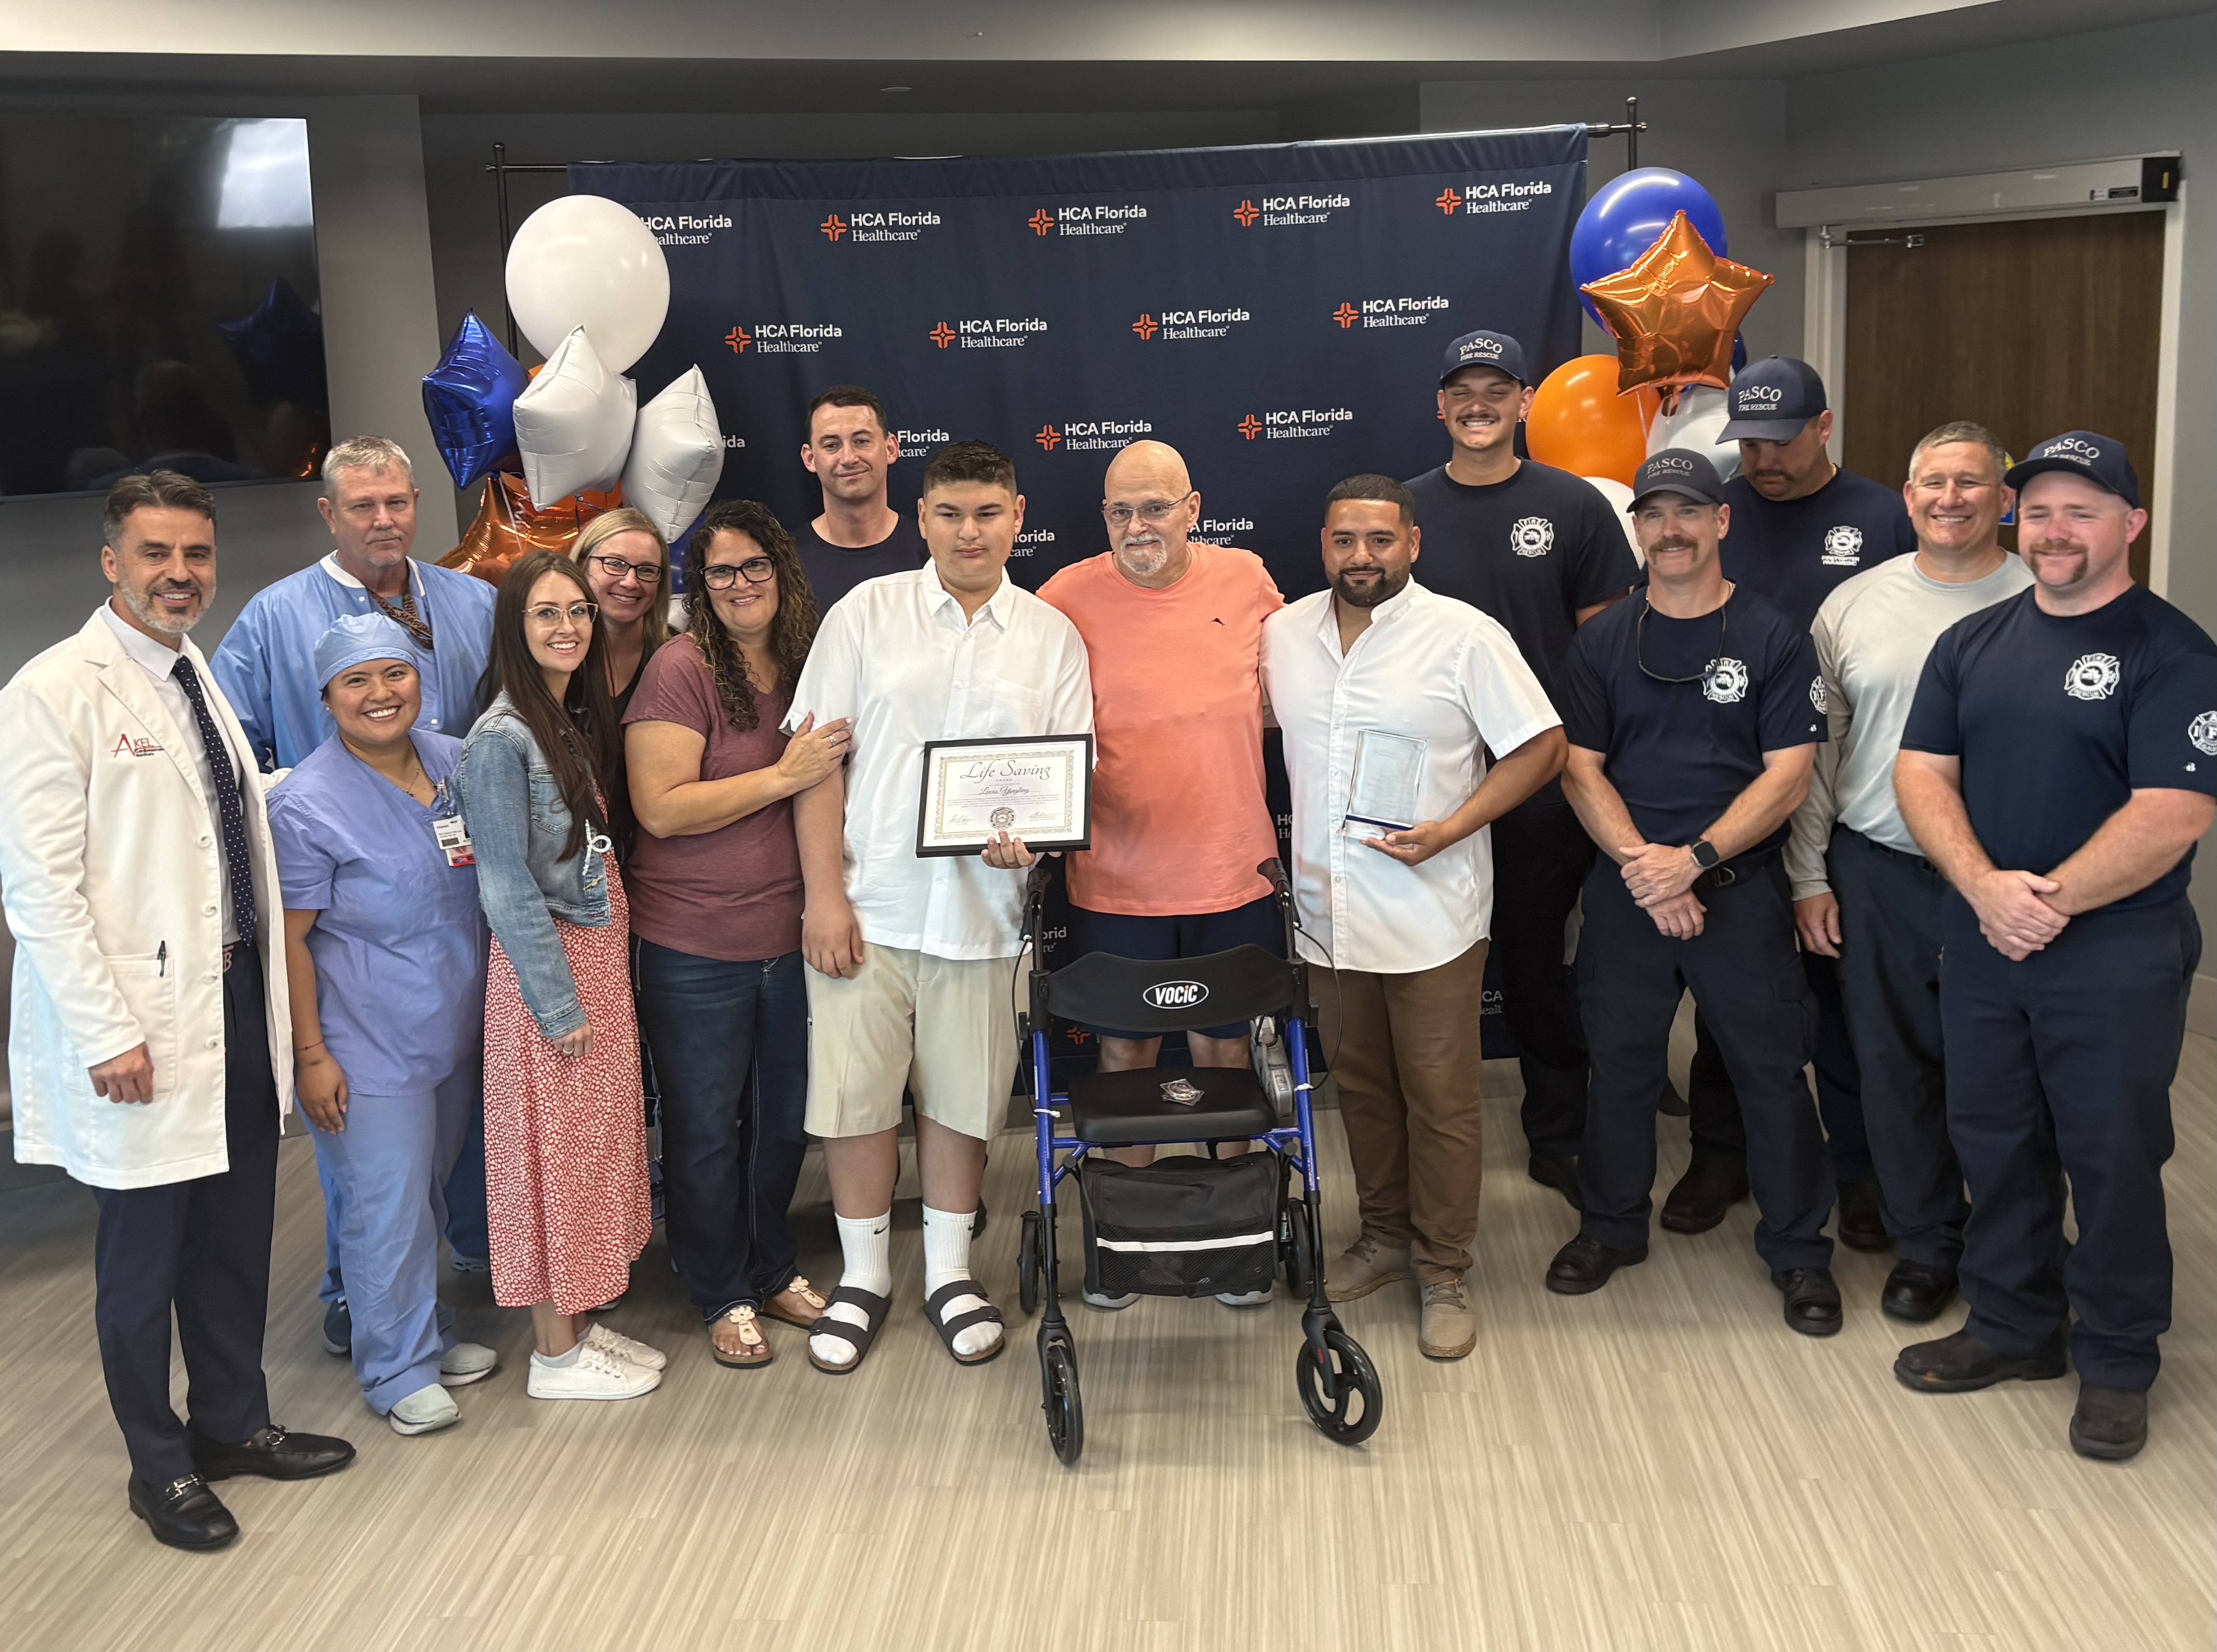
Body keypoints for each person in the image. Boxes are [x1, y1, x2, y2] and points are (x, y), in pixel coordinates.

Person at [0, 472, 354, 1551]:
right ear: (113, 561)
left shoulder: (193, 670)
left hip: (232, 997)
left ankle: (232, 1422)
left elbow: (209, 832)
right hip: (140, 1022)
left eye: (196, 555)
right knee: (143, 1258)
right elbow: (37, 883)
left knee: (237, 1236)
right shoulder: (55, 689)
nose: (180, 574)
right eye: (156, 554)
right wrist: (106, 1029)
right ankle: (159, 1466)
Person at [1893, 431, 2214, 1461]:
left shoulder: (2173, 652)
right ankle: (2013, 1324)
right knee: (1992, 1136)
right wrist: (1985, 889)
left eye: (2081, 509)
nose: (2055, 529)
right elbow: (1919, 774)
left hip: (2112, 950)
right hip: (1983, 935)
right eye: (2038, 510)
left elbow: (2173, 811)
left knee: (2110, 1150)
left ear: (2130, 522)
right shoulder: (1973, 643)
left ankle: (2117, 1356)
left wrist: (2050, 900)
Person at [785, 440, 1092, 1375]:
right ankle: (865, 1278)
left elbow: (1061, 777)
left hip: (981, 916)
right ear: (921, 519)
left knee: (962, 1102)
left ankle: (951, 1276)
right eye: (950, 514)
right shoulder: (862, 615)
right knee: (855, 1105)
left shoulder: (1050, 636)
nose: (969, 531)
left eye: (987, 513)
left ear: (1016, 515)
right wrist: (823, 896)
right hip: (866, 912)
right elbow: (814, 765)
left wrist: (1030, 841)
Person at [1262, 475, 1564, 1360]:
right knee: (1357, 1088)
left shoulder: (1462, 635)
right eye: (1344, 540)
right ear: (1322, 544)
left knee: (1438, 1099)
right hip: (1328, 914)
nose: (1362, 557)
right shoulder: (1282, 633)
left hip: (1431, 913)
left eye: (1379, 540)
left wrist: (1453, 827)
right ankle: (1382, 1237)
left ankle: (1442, 1267)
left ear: (1411, 544)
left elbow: (1541, 744)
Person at [211, 434, 498, 1348]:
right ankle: (363, 1310)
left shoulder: (471, 601)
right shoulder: (274, 617)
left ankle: (435, 1294)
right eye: (362, 506)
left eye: (398, 502)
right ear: (328, 513)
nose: (384, 520)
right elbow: (226, 754)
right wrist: (312, 803)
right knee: (371, 1159)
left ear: (419, 504)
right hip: (348, 925)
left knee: (440, 1142)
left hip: (454, 928)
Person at [1550, 450, 1839, 1335]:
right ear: (1636, 528)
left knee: (1767, 1072)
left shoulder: (1771, 636)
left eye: (1687, 512)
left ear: (1720, 522)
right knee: (1620, 1067)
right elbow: (1577, 767)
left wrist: (1696, 859)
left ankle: (1797, 1252)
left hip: (1737, 892)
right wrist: (1649, 865)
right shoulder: (1601, 639)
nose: (1668, 530)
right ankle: (1609, 1226)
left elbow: (1789, 774)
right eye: (1653, 515)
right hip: (1632, 888)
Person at [1784, 423, 2033, 1324]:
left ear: (2003, 500)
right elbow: (1819, 754)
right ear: (1905, 495)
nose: (1949, 498)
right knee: (1889, 1064)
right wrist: (1808, 874)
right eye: (1931, 482)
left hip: (2006, 881)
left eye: (1970, 482)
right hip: (1876, 867)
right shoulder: (1851, 606)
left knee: (2003, 1070)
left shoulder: (2044, 596)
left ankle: (2011, 1245)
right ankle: (1925, 1241)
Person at [1667, 358, 1918, 1245]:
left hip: (1841, 790)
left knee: (1841, 995)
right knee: (1731, 996)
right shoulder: (1717, 507)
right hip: (1723, 788)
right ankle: (1719, 1153)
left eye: (1779, 440)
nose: (1762, 459)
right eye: (1747, 442)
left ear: (1823, 426)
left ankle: (1857, 1169)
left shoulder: (1883, 514)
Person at [1036, 440, 1285, 1306]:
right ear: (1101, 518)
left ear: (1192, 507)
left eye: (1154, 507)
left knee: (1224, 1047)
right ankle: (1122, 1239)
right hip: (1115, 876)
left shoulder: (1247, 577)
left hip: (1231, 865)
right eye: (1119, 511)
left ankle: (1238, 1235)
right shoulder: (1063, 597)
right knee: (1125, 1052)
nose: (1137, 526)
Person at [1402, 330, 1639, 1206]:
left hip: (1539, 777)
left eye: (1494, 389)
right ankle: (1423, 1137)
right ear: (1439, 405)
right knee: (1427, 968)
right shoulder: (1407, 510)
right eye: (1460, 389)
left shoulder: (1572, 506)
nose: (1477, 404)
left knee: (1538, 963)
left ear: (1522, 400)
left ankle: (1556, 1132)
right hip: (1432, 780)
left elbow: (1605, 646)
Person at [625, 502, 849, 1366]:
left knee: (782, 1120)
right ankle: (720, 1288)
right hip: (691, 942)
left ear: (781, 570)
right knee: (705, 1125)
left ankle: (771, 1265)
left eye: (755, 565)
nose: (740, 583)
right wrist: (781, 774)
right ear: (698, 585)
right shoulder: (679, 671)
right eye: (720, 571)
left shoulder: (809, 662)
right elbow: (661, 806)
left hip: (790, 934)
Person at [268, 614, 501, 1436]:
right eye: (356, 681)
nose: (379, 694)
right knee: (386, 1205)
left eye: (394, 674)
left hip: (452, 1024)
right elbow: (289, 941)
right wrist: (311, 1055)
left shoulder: (454, 759)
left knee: (419, 1197)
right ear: (326, 697)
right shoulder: (308, 804)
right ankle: (396, 1366)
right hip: (365, 1040)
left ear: (419, 680)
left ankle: (412, 1330)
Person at [456, 550, 663, 1400]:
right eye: (547, 613)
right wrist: (555, 1002)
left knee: (588, 1155)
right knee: (548, 1161)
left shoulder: (561, 716)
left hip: (592, 963)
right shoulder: (499, 739)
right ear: (516, 626)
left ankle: (576, 1325)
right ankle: (553, 1353)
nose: (568, 627)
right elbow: (503, 884)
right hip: (552, 977)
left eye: (577, 611)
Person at [797, 385, 929, 609]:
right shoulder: (785, 560)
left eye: (861, 441)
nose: (848, 458)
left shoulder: (933, 550)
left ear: (891, 449)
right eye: (832, 445)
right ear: (810, 459)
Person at [570, 506, 674, 724]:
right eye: (615, 564)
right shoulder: (552, 650)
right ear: (582, 565)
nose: (630, 582)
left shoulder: (677, 657)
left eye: (647, 570)